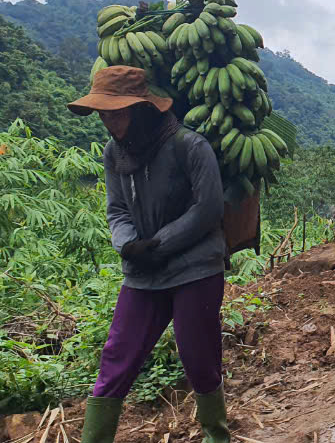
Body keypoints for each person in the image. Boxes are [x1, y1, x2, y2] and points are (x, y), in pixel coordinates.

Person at [68, 66, 230, 443]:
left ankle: (216, 436)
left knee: (199, 358)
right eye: (103, 114)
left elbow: (208, 210)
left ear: (141, 108)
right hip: (143, 271)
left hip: (195, 268)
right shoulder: (114, 153)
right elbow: (117, 210)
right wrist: (127, 245)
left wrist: (161, 243)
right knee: (117, 355)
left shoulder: (189, 146)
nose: (109, 121)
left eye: (117, 112)